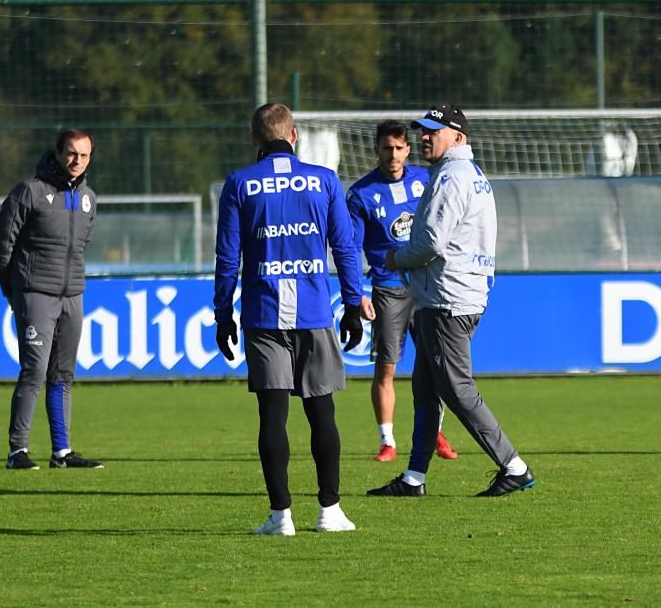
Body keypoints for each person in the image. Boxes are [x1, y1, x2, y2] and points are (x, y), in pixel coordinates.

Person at [368, 103, 535, 498]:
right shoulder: (468, 173)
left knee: (456, 389)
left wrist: (396, 257)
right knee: (425, 391)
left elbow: (429, 243)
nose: (424, 136)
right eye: (423, 130)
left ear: (458, 137)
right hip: (451, 295)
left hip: (448, 300)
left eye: (433, 131)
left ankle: (514, 465)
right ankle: (414, 478)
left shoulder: (451, 177)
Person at [213, 103, 365, 536]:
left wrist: (223, 314)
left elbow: (228, 256)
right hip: (315, 312)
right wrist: (353, 304)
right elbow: (345, 247)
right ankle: (330, 510)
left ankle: (281, 516)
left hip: (263, 315)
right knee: (322, 412)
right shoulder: (324, 180)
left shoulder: (240, 183)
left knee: (272, 416)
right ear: (293, 135)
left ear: (254, 139)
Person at [347, 119, 458, 462]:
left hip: (427, 287)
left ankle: (434, 433)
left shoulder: (427, 180)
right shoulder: (361, 194)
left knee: (437, 365)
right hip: (388, 290)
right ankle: (388, 441)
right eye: (386, 148)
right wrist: (358, 293)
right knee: (387, 367)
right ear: (376, 150)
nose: (393, 155)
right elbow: (350, 248)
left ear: (407, 149)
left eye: (398, 148)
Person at [0, 128, 103, 470]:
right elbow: (2, 244)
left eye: (84, 155)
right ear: (57, 153)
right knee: (34, 372)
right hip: (35, 294)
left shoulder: (89, 199)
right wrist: (13, 289)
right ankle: (17, 451)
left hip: (73, 295)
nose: (77, 161)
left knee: (63, 375)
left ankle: (62, 452)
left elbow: (81, 246)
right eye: (71, 153)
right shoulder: (30, 192)